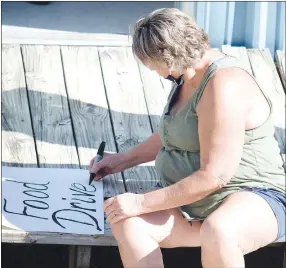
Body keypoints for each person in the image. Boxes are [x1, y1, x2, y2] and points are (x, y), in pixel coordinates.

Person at [89, 8, 285, 268]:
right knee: (128, 223)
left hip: (252, 198)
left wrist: (140, 201)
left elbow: (215, 176)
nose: (154, 71)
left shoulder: (224, 83)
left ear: (167, 58)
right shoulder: (186, 75)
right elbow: (174, 132)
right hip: (193, 205)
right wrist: (121, 161)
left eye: (151, 64)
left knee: (219, 230)